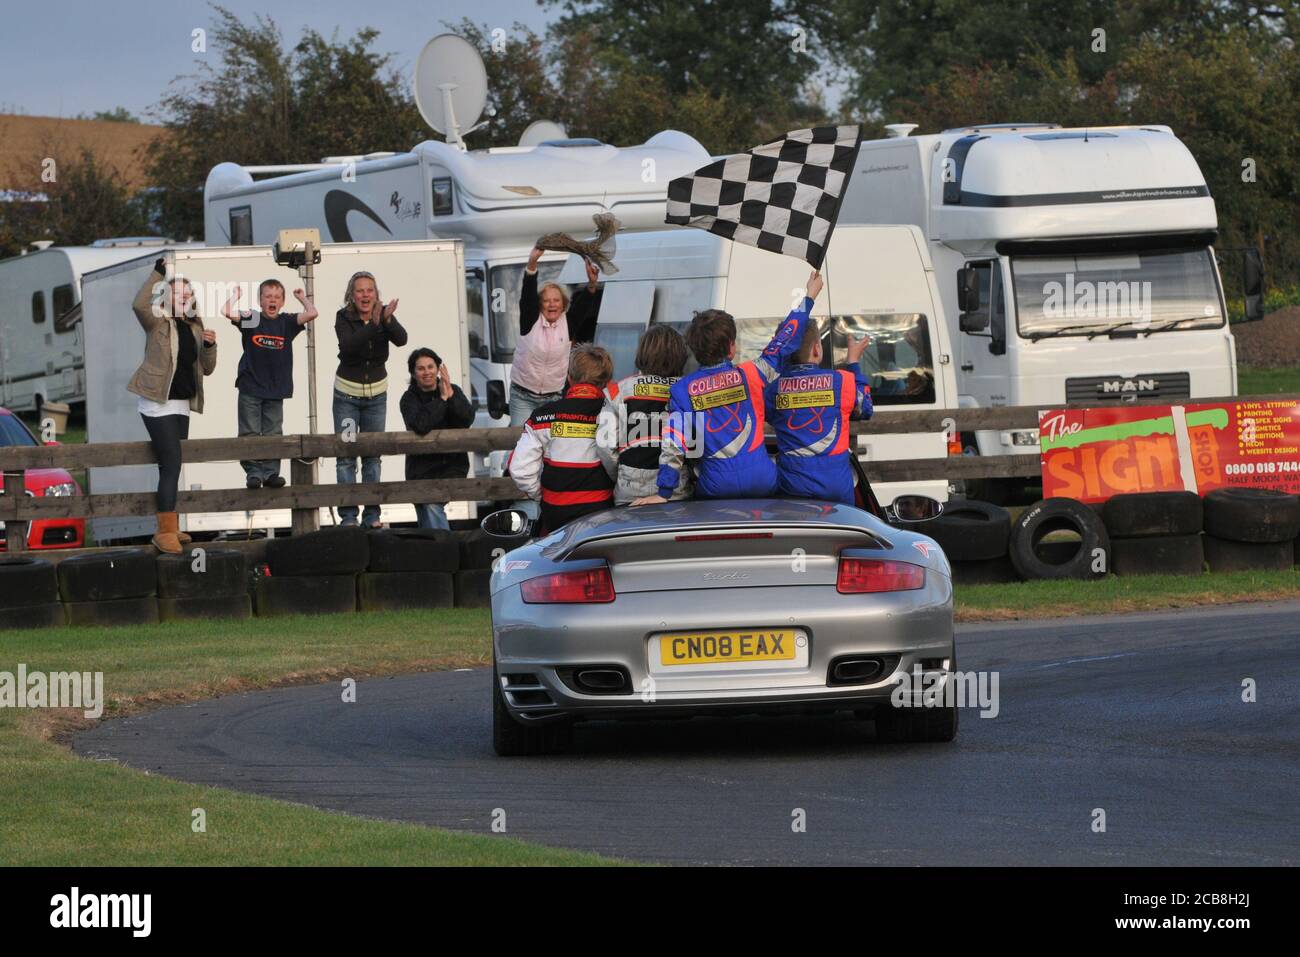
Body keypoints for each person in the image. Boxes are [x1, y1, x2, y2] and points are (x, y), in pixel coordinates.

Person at [632, 270, 823, 506]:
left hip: (715, 489)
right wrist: (809, 297)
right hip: (763, 483)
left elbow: (674, 444)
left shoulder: (682, 390)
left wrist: (664, 492)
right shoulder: (752, 374)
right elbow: (784, 341)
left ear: (694, 350)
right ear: (731, 348)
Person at [128, 258, 217, 554]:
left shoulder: (195, 326)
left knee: (173, 467)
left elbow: (206, 368)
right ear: (166, 298)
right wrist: (159, 273)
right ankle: (163, 531)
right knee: (171, 463)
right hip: (157, 401)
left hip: (181, 403)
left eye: (187, 293)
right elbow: (138, 305)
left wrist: (209, 346)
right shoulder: (156, 320)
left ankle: (171, 524)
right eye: (177, 292)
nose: (183, 297)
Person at [508, 345, 616, 535]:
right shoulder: (614, 413)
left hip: (555, 513)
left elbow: (520, 469)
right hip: (602, 511)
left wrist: (540, 496)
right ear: (606, 381)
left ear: (569, 378)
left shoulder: (542, 415)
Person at [222, 279, 317, 489]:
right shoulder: (252, 319)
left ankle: (271, 473)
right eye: (267, 296)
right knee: (250, 432)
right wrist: (236, 295)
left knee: (273, 432)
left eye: (277, 297)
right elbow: (227, 311)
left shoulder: (286, 322)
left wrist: (302, 298)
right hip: (250, 387)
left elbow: (312, 313)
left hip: (276, 389)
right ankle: (254, 473)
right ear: (260, 300)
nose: (272, 300)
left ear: (282, 302)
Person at [765, 324, 873, 505]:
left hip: (792, 488)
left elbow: (767, 414)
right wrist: (853, 363)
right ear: (816, 349)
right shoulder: (842, 381)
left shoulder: (772, 389)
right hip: (836, 489)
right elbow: (865, 408)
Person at [332, 271, 407, 528]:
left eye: (370, 290)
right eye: (360, 291)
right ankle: (349, 517)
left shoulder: (384, 314)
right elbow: (348, 347)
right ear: (352, 296)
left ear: (376, 294)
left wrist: (388, 321)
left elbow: (402, 340)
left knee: (373, 457)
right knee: (346, 455)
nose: (365, 295)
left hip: (376, 397)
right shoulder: (344, 317)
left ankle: (372, 515)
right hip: (347, 396)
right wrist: (374, 326)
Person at [596, 325, 692, 503]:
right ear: (681, 355)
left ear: (642, 354)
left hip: (630, 490)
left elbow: (604, 444)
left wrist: (623, 472)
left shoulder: (618, 391)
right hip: (675, 490)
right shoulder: (689, 391)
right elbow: (696, 446)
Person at [399, 347, 474, 530]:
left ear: (438, 369)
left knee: (431, 503)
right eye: (421, 368)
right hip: (421, 471)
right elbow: (421, 425)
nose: (427, 372)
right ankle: (433, 553)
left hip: (452, 466)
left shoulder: (453, 390)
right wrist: (441, 400)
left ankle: (446, 551)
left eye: (431, 367)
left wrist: (451, 396)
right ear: (413, 373)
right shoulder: (409, 399)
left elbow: (466, 419)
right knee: (425, 515)